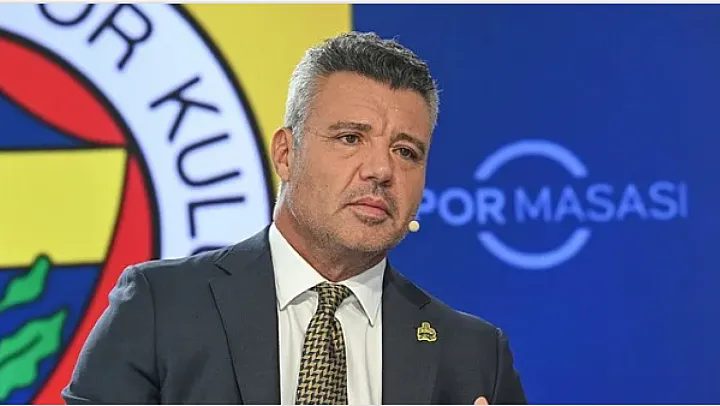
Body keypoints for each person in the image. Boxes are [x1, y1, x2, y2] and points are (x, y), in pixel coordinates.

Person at [61, 31, 526, 405]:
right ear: (286, 154)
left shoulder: (473, 355)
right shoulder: (161, 306)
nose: (381, 170)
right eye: (350, 138)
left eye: (406, 151)